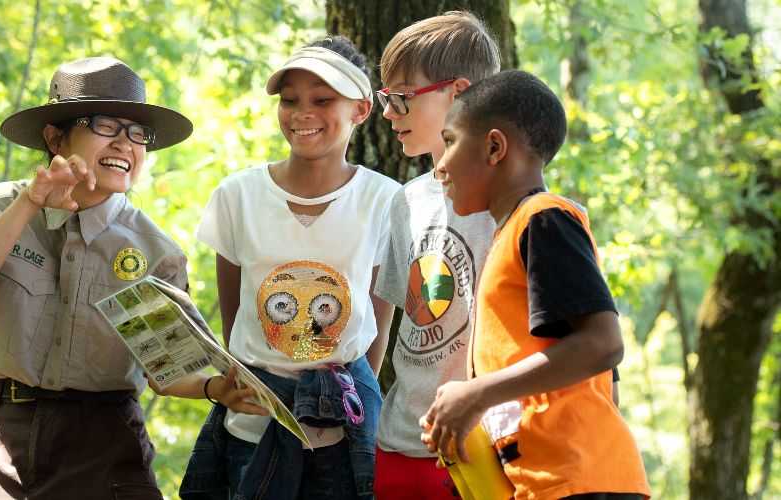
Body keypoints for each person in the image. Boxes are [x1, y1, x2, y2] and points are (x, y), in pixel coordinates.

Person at [0, 56, 257, 499]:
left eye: (138, 133)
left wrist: (215, 388)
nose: (126, 144)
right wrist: (29, 204)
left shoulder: (154, 252)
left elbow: (164, 370)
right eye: (107, 125)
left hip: (103, 447)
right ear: (54, 136)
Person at [179, 36, 400, 500]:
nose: (302, 114)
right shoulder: (237, 196)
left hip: (344, 426)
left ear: (361, 110)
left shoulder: (385, 200)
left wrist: (347, 386)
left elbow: (378, 318)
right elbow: (236, 313)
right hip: (256, 420)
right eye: (290, 100)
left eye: (323, 100)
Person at [421, 69, 650, 499]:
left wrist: (475, 395)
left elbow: (603, 345)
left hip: (578, 483)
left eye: (449, 141)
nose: (440, 166)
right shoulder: (511, 234)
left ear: (493, 147)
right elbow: (604, 381)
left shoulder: (543, 217)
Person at [370, 12, 500, 500]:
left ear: (458, 93)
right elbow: (388, 324)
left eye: (402, 97)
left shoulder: (510, 205)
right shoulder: (406, 201)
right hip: (396, 441)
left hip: (476, 451)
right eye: (385, 98)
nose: (389, 112)